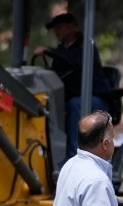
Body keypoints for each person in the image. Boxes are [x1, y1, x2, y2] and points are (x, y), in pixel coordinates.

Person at [34, 13, 111, 158]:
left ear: (72, 27)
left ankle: (74, 156)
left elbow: (75, 62)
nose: (57, 32)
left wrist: (49, 51)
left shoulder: (86, 46)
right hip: (71, 96)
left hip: (94, 97)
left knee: (75, 104)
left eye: (60, 28)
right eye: (55, 29)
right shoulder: (62, 49)